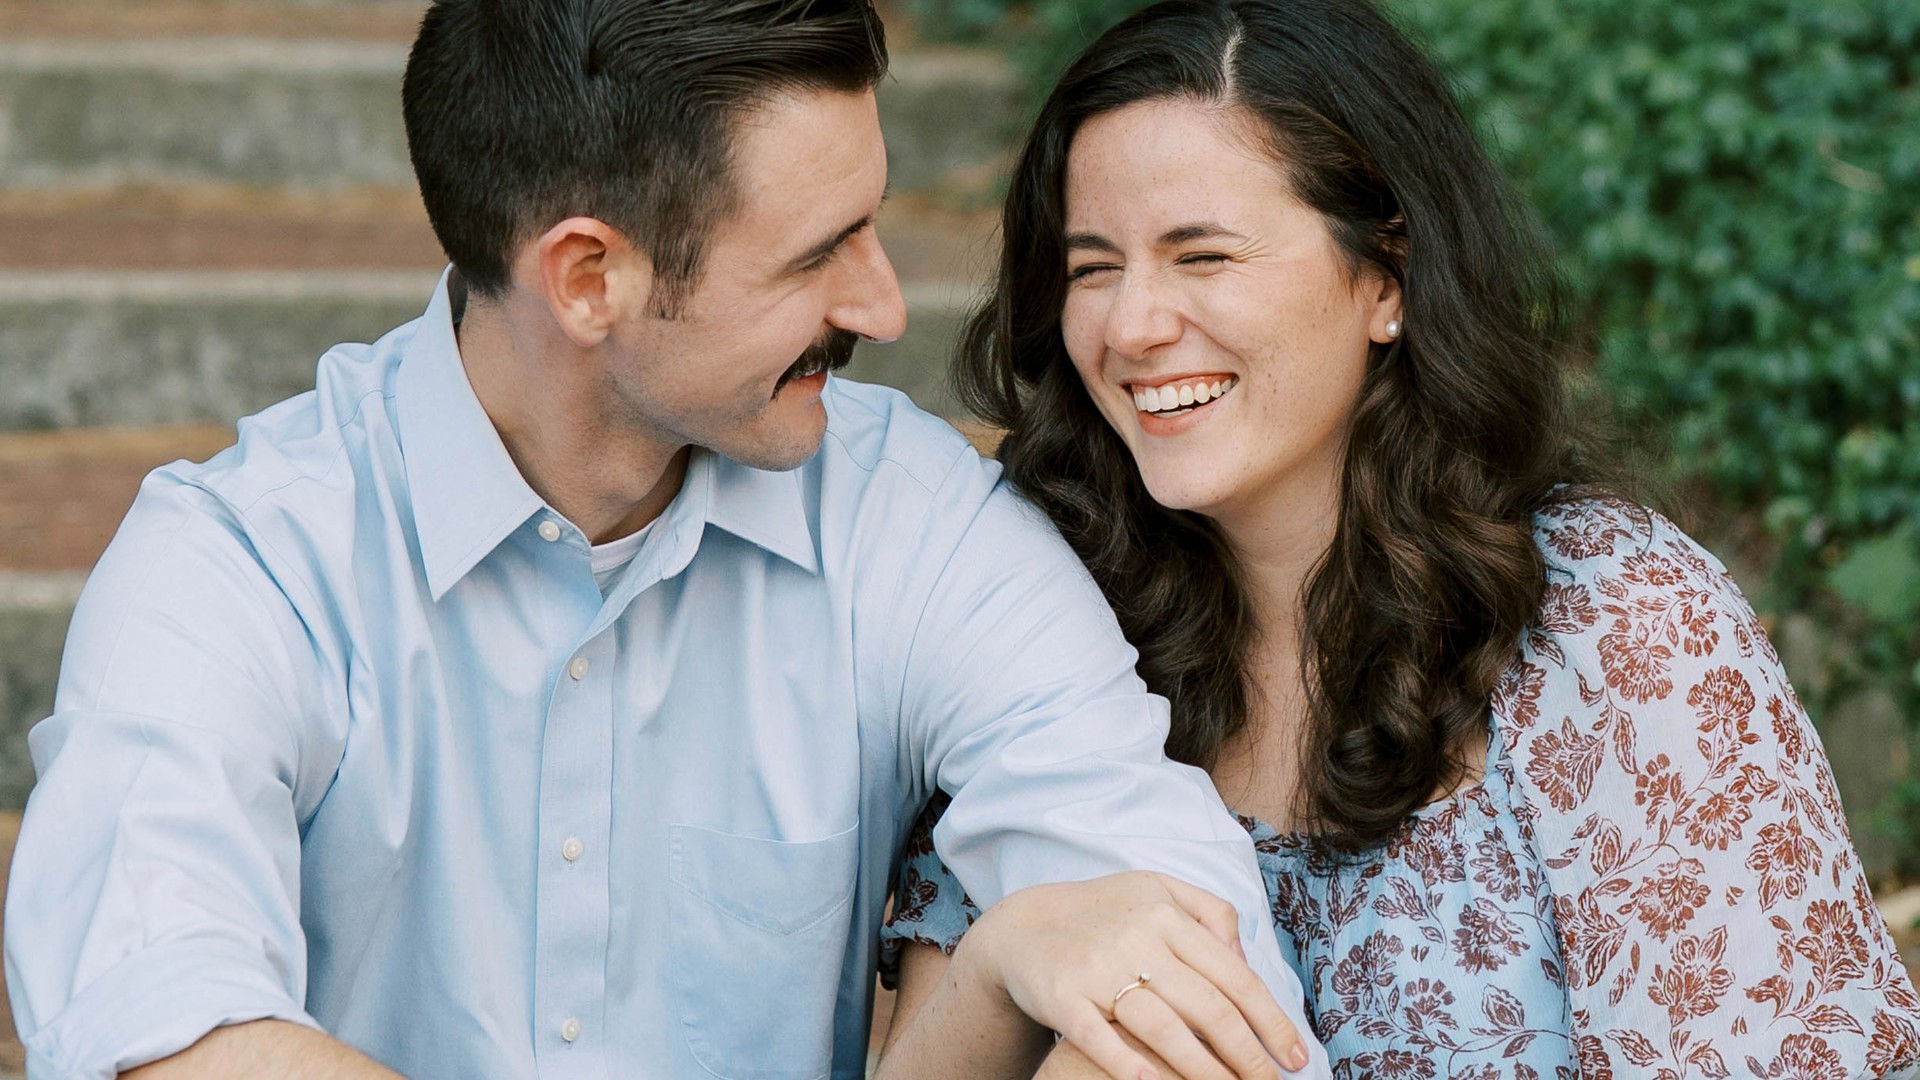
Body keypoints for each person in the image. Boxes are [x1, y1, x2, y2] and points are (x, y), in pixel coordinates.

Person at [2, 2, 1331, 1078]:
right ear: (590, 279)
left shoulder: (911, 524)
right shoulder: (241, 563)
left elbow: (1179, 943)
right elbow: (166, 1025)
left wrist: (1076, 977)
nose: (882, 300)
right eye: (820, 253)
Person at [874, 0, 1920, 1076]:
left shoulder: (1616, 620)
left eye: (1205, 256)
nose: (1132, 325)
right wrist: (1000, 958)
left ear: (1386, 277)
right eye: (1093, 267)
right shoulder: (1033, 615)